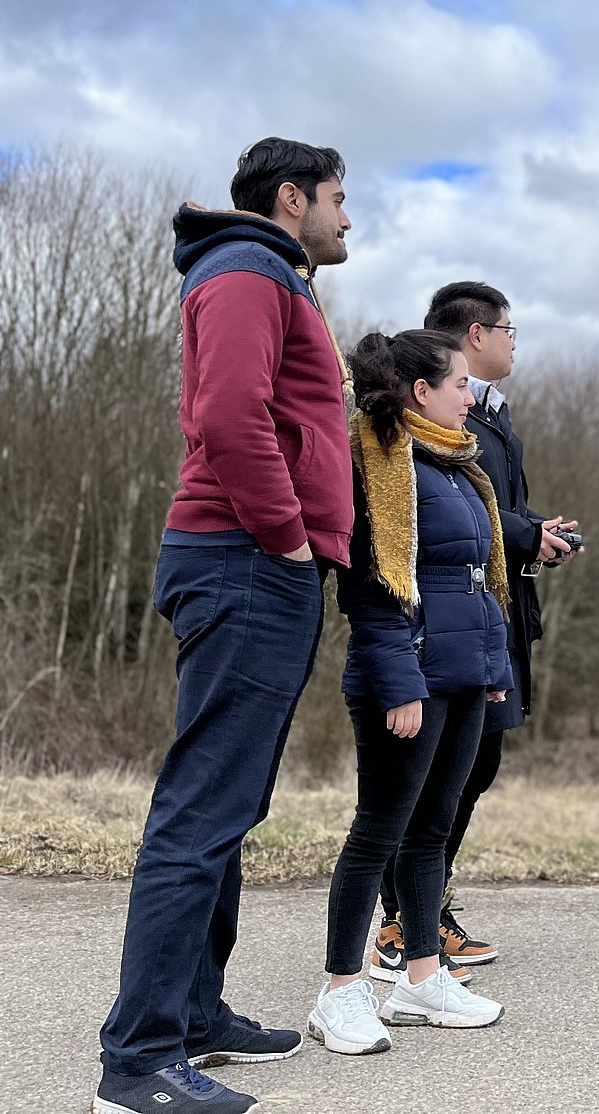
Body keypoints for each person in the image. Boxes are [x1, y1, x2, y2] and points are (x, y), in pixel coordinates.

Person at [97, 138, 353, 1114]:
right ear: (291, 198)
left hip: (259, 563)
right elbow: (229, 415)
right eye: (338, 198)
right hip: (245, 560)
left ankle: (195, 1014)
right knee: (201, 809)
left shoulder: (272, 275)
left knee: (230, 806)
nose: (348, 216)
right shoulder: (247, 268)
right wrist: (288, 536)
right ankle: (138, 1064)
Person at [307, 330, 516, 1053]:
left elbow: (477, 582)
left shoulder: (454, 465)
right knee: (378, 833)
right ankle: (340, 992)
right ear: (422, 392)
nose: (469, 396)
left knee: (431, 832)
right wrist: (400, 686)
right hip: (407, 680)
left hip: (461, 677)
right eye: (459, 383)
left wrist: (494, 673)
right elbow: (371, 586)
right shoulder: (379, 463)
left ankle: (422, 980)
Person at [364, 281, 577, 979]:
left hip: (496, 617)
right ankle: (404, 926)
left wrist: (537, 533)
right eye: (508, 329)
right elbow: (438, 520)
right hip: (445, 626)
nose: (516, 342)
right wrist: (527, 534)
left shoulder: (491, 416)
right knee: (433, 783)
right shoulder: (424, 427)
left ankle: (426, 916)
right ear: (474, 335)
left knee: (474, 771)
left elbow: (491, 509)